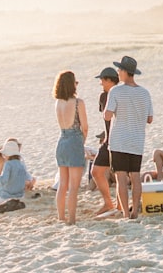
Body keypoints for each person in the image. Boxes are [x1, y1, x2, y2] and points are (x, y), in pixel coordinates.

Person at [104, 55, 153, 219]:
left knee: (121, 178)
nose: (117, 72)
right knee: (135, 176)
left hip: (119, 141)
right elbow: (150, 119)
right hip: (137, 141)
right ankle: (135, 212)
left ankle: (125, 213)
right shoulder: (145, 93)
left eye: (119, 69)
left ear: (125, 72)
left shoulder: (116, 91)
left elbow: (107, 116)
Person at [53, 71, 88, 224]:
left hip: (62, 140)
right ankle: (72, 219)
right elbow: (85, 127)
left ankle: (61, 217)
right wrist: (82, 141)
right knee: (74, 186)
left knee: (62, 184)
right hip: (74, 139)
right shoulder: (78, 102)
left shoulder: (58, 103)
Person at [91, 67, 121, 217]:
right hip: (108, 140)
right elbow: (107, 121)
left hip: (121, 140)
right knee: (96, 171)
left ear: (109, 80)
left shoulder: (122, 94)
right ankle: (108, 203)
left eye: (102, 80)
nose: (101, 83)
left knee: (119, 174)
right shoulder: (103, 97)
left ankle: (119, 205)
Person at [0, 139, 29, 204]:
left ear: (8, 154)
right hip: (20, 195)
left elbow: (3, 180)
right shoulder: (21, 164)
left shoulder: (8, 164)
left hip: (7, 196)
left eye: (5, 154)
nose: (4, 156)